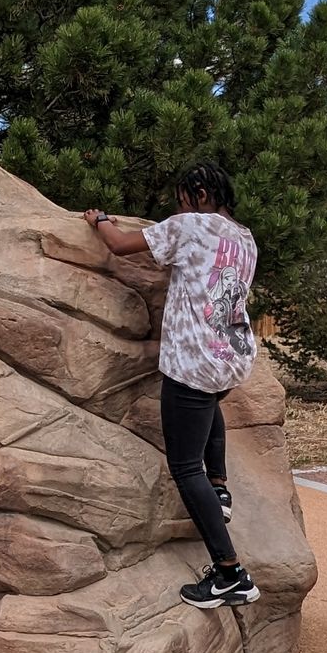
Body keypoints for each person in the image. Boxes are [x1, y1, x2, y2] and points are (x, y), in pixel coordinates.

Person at [82, 163, 260, 608]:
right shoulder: (244, 238)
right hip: (231, 356)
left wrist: (99, 221)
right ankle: (219, 488)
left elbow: (122, 246)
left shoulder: (189, 226)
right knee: (209, 409)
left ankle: (230, 573)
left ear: (199, 194)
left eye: (183, 197)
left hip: (193, 361)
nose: (178, 206)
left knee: (184, 468)